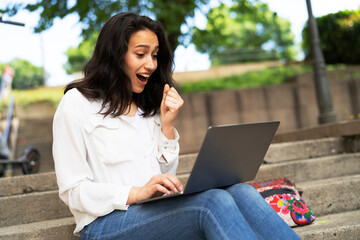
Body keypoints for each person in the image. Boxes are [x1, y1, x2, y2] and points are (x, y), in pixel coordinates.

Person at [52, 12, 301, 240]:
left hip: (153, 212)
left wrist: (167, 127)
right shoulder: (76, 103)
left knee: (241, 193)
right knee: (212, 203)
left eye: (154, 55)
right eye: (140, 54)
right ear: (114, 56)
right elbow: (73, 190)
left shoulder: (147, 106)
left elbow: (165, 173)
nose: (150, 64)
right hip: (105, 224)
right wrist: (136, 192)